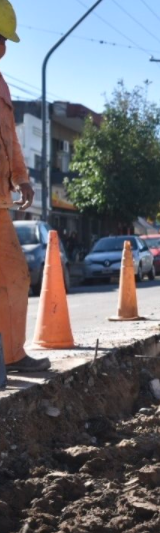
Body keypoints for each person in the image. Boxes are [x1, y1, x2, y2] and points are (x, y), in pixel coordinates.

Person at [0, 1, 50, 373]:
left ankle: (11, 356)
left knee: (15, 274)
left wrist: (22, 178)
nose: (3, 48)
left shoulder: (1, 85)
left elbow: (11, 140)